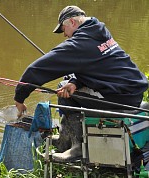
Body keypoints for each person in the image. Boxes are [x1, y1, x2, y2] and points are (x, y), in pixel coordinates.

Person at [14, 6, 148, 162]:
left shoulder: (80, 43)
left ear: (72, 21)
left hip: (119, 98)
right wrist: (75, 82)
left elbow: (37, 69)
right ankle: (66, 139)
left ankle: (77, 147)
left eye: (64, 29)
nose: (65, 35)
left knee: (62, 89)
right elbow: (98, 66)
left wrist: (19, 98)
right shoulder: (99, 31)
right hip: (131, 92)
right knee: (68, 83)